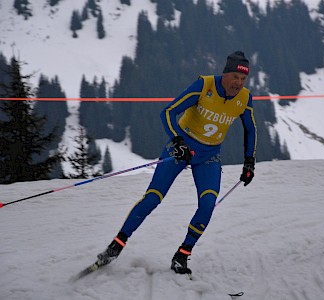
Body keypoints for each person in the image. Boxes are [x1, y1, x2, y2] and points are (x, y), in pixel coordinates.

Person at [97, 51, 257, 275]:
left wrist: (249, 162)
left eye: (243, 80)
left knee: (208, 204)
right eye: (235, 78)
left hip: (209, 155)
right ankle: (116, 245)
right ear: (225, 74)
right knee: (153, 197)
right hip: (181, 148)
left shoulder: (245, 98)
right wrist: (178, 141)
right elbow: (169, 112)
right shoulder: (205, 85)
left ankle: (182, 254)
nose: (238, 84)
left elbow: (250, 129)